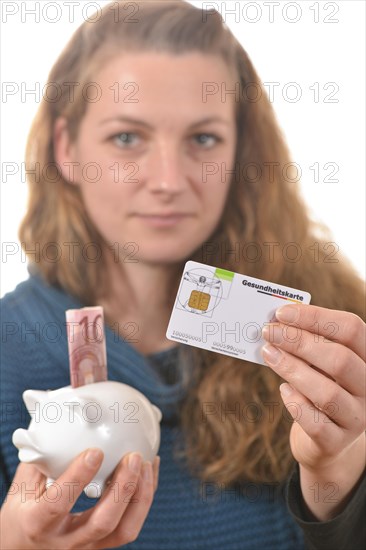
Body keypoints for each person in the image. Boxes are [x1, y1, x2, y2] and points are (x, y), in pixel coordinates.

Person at [1, 1, 365, 548]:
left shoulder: (335, 331)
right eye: (127, 138)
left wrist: (339, 490)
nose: (169, 180)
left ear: (240, 149)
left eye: (203, 139)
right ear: (67, 149)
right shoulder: (9, 355)